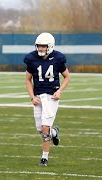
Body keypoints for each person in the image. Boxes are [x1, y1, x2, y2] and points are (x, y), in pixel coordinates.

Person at [24, 32, 70, 166]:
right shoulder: (31, 58)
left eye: (43, 46)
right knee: (40, 128)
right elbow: (27, 79)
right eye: (39, 46)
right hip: (38, 96)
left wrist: (59, 91)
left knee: (45, 128)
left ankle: (44, 158)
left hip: (51, 96)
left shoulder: (58, 58)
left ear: (50, 46)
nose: (41, 49)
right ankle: (54, 132)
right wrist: (32, 97)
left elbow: (67, 76)